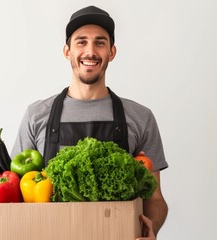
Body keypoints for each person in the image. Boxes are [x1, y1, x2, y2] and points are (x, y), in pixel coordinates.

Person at [11, 5, 168, 240]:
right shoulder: (36, 115)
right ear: (67, 51)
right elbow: (14, 195)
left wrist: (151, 226)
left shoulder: (140, 117)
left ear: (112, 52)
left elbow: (155, 200)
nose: (90, 51)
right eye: (81, 42)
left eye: (100, 42)